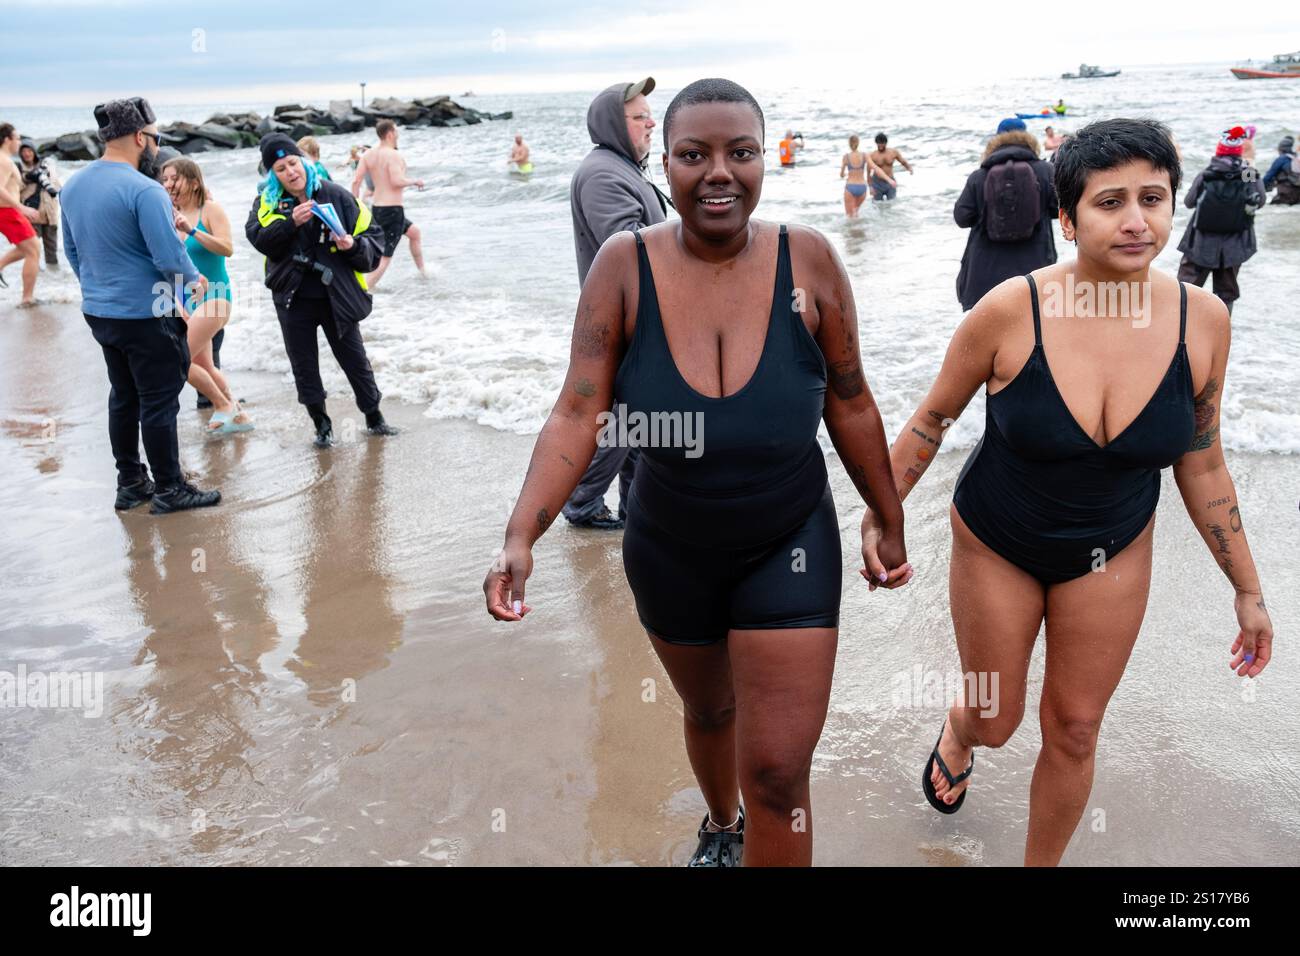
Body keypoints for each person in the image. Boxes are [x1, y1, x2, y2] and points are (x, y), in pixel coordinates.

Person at [484, 78, 909, 868]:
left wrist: (886, 512)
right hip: (669, 544)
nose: (720, 172)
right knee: (709, 711)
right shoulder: (624, 265)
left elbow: (850, 399)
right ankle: (720, 824)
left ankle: (754, 815)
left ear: (762, 160)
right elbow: (579, 411)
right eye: (694, 154)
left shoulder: (809, 259)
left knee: (779, 773)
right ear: (665, 164)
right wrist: (522, 532)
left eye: (741, 152)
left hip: (791, 541)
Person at [863, 118, 1272, 866]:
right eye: (1109, 201)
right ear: (1066, 217)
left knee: (1077, 727)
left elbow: (1203, 462)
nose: (1136, 219)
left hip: (1112, 547)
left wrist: (1247, 589)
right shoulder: (1009, 310)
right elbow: (931, 420)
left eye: (1153, 198)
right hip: (998, 539)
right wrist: (879, 519)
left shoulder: (1202, 321)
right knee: (996, 717)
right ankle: (962, 732)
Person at [60, 97, 221, 513]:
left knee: (124, 395)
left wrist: (101, 289)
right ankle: (170, 489)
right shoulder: (145, 189)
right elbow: (169, 258)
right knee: (160, 399)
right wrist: (195, 282)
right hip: (147, 315)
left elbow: (73, 253)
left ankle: (130, 482)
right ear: (139, 136)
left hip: (100, 312)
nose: (156, 145)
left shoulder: (74, 185)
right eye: (155, 137)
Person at [246, 133, 398, 447]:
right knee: (303, 366)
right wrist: (290, 223)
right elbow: (258, 238)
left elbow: (373, 237)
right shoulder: (268, 202)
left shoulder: (336, 194)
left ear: (303, 162)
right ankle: (322, 426)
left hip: (336, 295)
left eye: (292, 163)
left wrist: (350, 245)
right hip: (293, 298)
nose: (290, 171)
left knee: (355, 359)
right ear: (273, 175)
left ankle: (374, 417)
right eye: (280, 168)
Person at [566, 76, 666, 530]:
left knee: (635, 420)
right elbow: (628, 252)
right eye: (640, 116)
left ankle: (632, 507)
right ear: (613, 122)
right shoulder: (605, 173)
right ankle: (582, 503)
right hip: (627, 322)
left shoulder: (622, 167)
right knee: (628, 417)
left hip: (634, 319)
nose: (651, 123)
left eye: (650, 114)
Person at [160, 157, 251, 434]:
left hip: (216, 297)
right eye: (164, 179)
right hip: (186, 301)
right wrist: (177, 304)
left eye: (174, 178)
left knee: (177, 358)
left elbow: (226, 248)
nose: (168, 184)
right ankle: (238, 416)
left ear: (194, 181)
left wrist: (192, 230)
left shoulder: (209, 210)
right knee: (204, 365)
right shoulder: (167, 215)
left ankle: (222, 405)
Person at [953, 118, 1057, 311]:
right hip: (1035, 271)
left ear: (996, 140)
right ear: (1027, 138)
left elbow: (962, 217)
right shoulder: (1045, 171)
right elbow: (1058, 210)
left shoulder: (979, 176)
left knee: (989, 336)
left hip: (984, 274)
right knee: (1034, 333)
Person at [1176, 126, 1266, 316]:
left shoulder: (1208, 173)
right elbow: (1260, 201)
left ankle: (1182, 329)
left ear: (1219, 150)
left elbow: (1189, 202)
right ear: (1238, 151)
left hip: (1201, 243)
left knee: (1186, 289)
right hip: (1235, 245)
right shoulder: (1247, 172)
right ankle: (1221, 333)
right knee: (1226, 293)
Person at [350, 120, 425, 288]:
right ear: (390, 134)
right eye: (396, 132)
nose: (397, 135)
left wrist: (356, 206)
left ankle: (423, 273)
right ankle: (365, 289)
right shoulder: (393, 155)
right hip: (393, 211)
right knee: (385, 256)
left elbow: (356, 181)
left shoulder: (368, 155)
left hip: (378, 209)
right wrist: (415, 181)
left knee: (414, 233)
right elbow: (396, 181)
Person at [0, 123, 41, 306]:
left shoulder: (6, 159)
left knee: (28, 249)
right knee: (33, 250)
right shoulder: (3, 160)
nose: (19, 142)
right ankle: (27, 298)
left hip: (9, 211)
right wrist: (22, 208)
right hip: (6, 211)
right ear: (7, 139)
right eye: (16, 138)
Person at [17, 138, 61, 269]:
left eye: (29, 150)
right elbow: (13, 190)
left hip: (50, 215)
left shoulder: (46, 167)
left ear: (34, 152)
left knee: (52, 251)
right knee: (32, 250)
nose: (27, 154)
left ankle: (52, 279)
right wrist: (28, 178)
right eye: (23, 151)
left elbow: (57, 188)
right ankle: (34, 275)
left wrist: (45, 177)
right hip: (32, 215)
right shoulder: (18, 169)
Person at [840, 134, 883, 217]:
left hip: (850, 186)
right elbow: (875, 167)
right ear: (858, 143)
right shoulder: (864, 155)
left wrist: (844, 174)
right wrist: (888, 179)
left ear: (849, 144)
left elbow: (841, 175)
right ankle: (859, 230)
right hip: (862, 187)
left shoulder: (846, 157)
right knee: (856, 213)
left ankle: (852, 230)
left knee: (849, 216)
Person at [868, 132, 912, 200]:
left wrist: (909, 168)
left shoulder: (893, 152)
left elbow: (902, 161)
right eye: (878, 144)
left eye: (882, 143)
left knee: (892, 203)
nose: (880, 145)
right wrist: (870, 187)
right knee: (878, 205)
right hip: (877, 183)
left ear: (886, 143)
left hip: (890, 181)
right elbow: (868, 173)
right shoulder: (873, 155)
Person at [1261, 134, 1299, 205]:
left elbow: (1268, 177)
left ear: (1281, 149)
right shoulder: (1296, 157)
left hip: (1286, 194)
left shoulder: (1281, 159)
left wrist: (1259, 189)